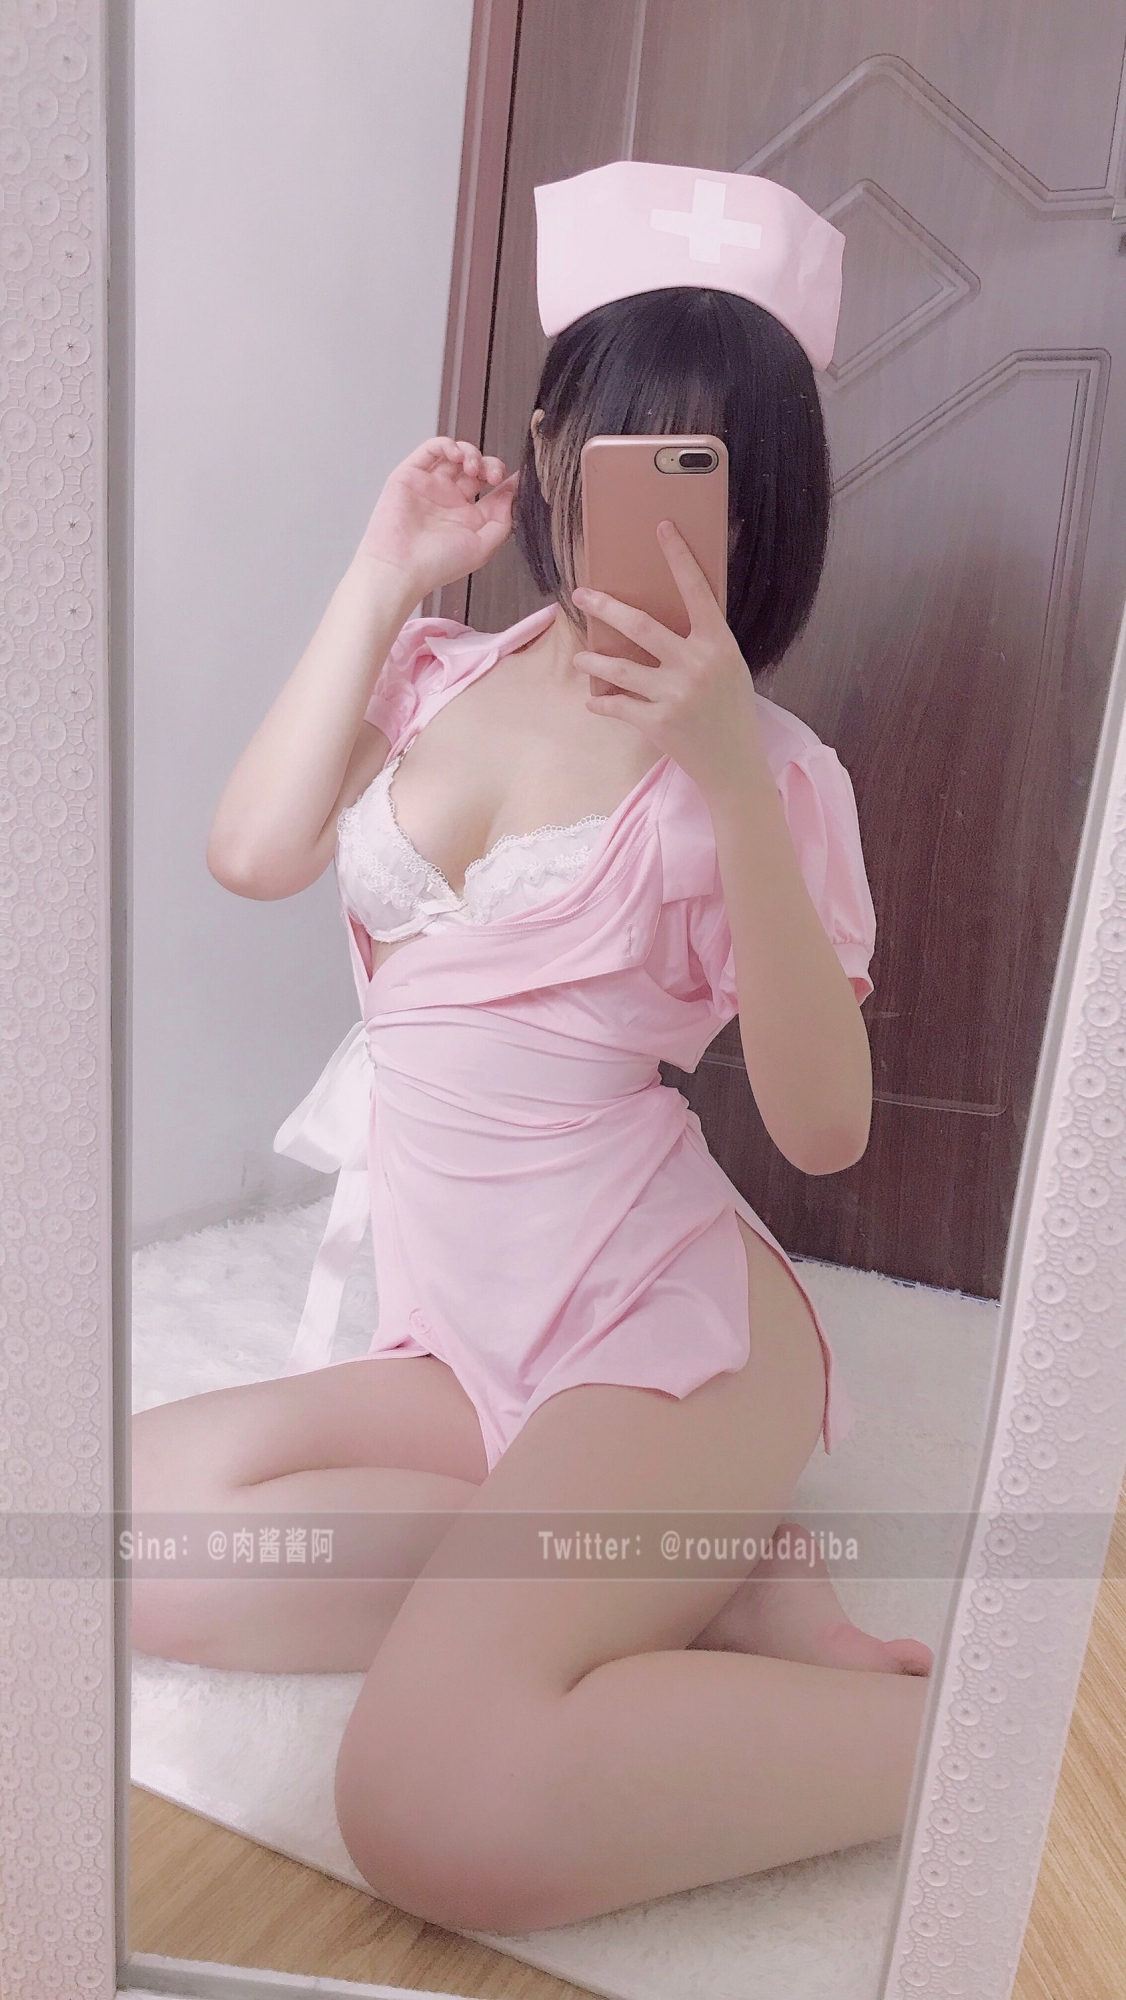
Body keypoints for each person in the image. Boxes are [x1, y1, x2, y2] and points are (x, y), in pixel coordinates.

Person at [132, 161, 933, 1935]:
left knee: (435, 1799)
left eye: (711, 473)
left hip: (659, 1327)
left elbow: (821, 1129)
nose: (660, 511)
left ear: (769, 512)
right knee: (125, 1528)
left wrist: (725, 773)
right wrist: (381, 568)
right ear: (554, 448)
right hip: (458, 1328)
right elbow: (254, 849)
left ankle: (981, 1741)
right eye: (626, 448)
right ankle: (684, 1569)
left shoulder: (773, 775)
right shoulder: (438, 673)